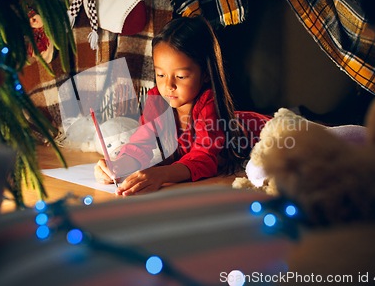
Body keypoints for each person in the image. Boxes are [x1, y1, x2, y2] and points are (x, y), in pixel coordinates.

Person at [94, 16, 272, 195]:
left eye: (180, 76)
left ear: (206, 74)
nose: (168, 86)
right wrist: (116, 166)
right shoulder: (157, 100)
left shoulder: (209, 104)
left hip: (266, 130)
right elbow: (140, 144)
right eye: (160, 75)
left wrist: (161, 174)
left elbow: (203, 158)